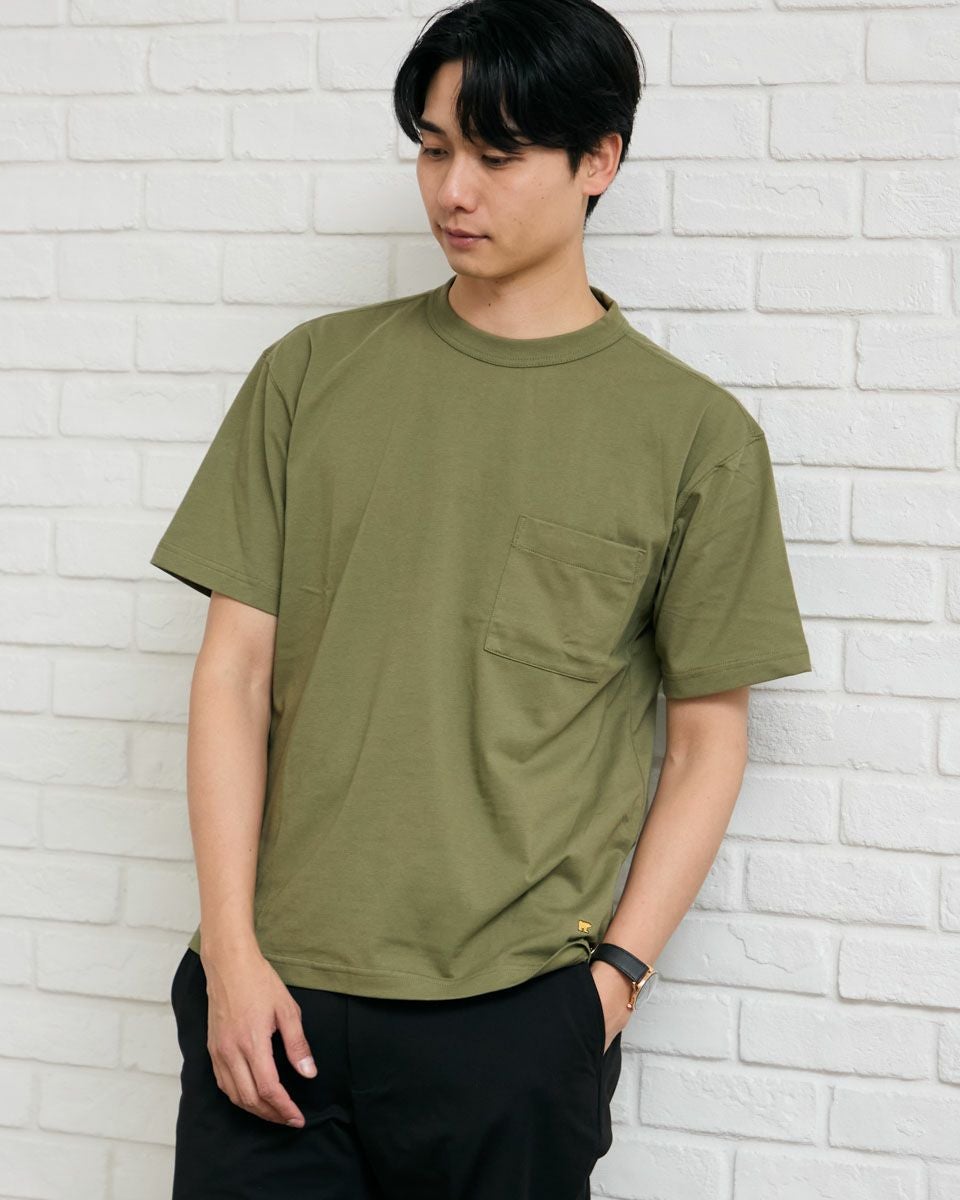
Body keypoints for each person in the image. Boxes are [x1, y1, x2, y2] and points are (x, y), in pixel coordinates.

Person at [152, 1, 813, 1196]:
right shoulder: (310, 376)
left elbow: (709, 742)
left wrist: (608, 987)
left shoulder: (693, 438)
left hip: (513, 1020)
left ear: (598, 160)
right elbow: (232, 674)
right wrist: (232, 956)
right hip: (273, 998)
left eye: (498, 156)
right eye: (433, 148)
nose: (453, 191)